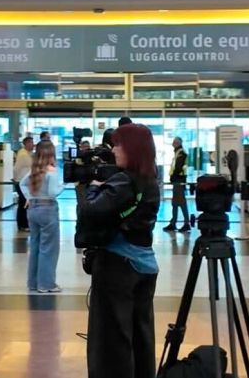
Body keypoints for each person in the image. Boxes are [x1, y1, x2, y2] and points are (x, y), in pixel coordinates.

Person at [77, 124, 160, 378]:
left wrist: (91, 187)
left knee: (111, 342)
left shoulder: (124, 181)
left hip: (118, 267)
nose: (114, 150)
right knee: (140, 335)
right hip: (144, 264)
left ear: (133, 149)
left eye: (119, 144)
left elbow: (91, 210)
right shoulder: (150, 181)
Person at [20, 140, 64, 293]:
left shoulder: (34, 170)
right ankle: (46, 284)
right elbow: (53, 193)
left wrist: (28, 197)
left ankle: (33, 283)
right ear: (51, 154)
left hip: (33, 210)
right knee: (49, 249)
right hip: (48, 210)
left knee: (36, 246)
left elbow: (22, 184)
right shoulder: (52, 171)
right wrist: (63, 185)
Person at [162, 137, 189, 233]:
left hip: (179, 181)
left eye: (174, 142)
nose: (173, 143)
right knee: (175, 203)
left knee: (181, 202)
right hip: (177, 181)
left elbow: (178, 167)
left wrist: (173, 176)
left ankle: (186, 223)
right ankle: (173, 222)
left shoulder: (181, 153)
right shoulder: (178, 153)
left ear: (178, 143)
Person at [12, 136, 35, 232]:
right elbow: (17, 168)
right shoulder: (23, 155)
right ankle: (23, 224)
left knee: (24, 203)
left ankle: (24, 223)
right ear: (26, 144)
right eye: (31, 143)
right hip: (22, 182)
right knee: (23, 203)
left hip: (26, 182)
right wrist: (16, 179)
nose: (33, 145)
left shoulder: (29, 154)